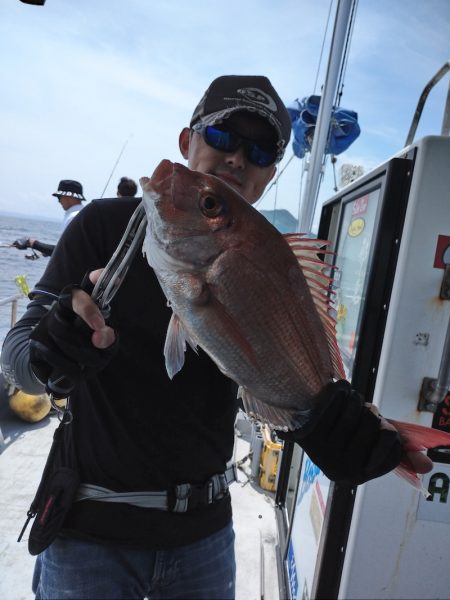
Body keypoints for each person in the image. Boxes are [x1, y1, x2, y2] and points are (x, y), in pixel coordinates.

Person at [1, 75, 403, 600]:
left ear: (269, 176)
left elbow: (285, 368)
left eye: (259, 151)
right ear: (187, 142)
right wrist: (50, 352)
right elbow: (17, 361)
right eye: (222, 138)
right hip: (89, 533)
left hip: (205, 536)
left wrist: (325, 419)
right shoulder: (102, 226)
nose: (238, 158)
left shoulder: (269, 256)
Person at [12, 180, 86, 257]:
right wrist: (39, 254)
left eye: (59, 197)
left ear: (70, 197)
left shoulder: (74, 217)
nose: (59, 201)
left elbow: (66, 251)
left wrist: (31, 243)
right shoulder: (80, 214)